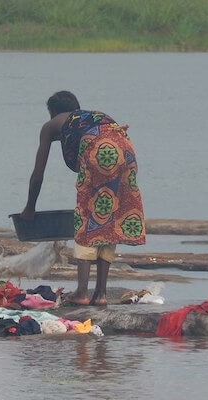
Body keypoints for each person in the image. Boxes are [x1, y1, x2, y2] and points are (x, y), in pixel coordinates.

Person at [20, 90, 146, 306]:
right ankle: (101, 295)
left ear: (52, 112)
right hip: (125, 150)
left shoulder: (51, 125)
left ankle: (82, 293)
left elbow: (37, 174)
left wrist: (29, 208)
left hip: (99, 151)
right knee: (111, 218)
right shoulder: (90, 117)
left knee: (88, 217)